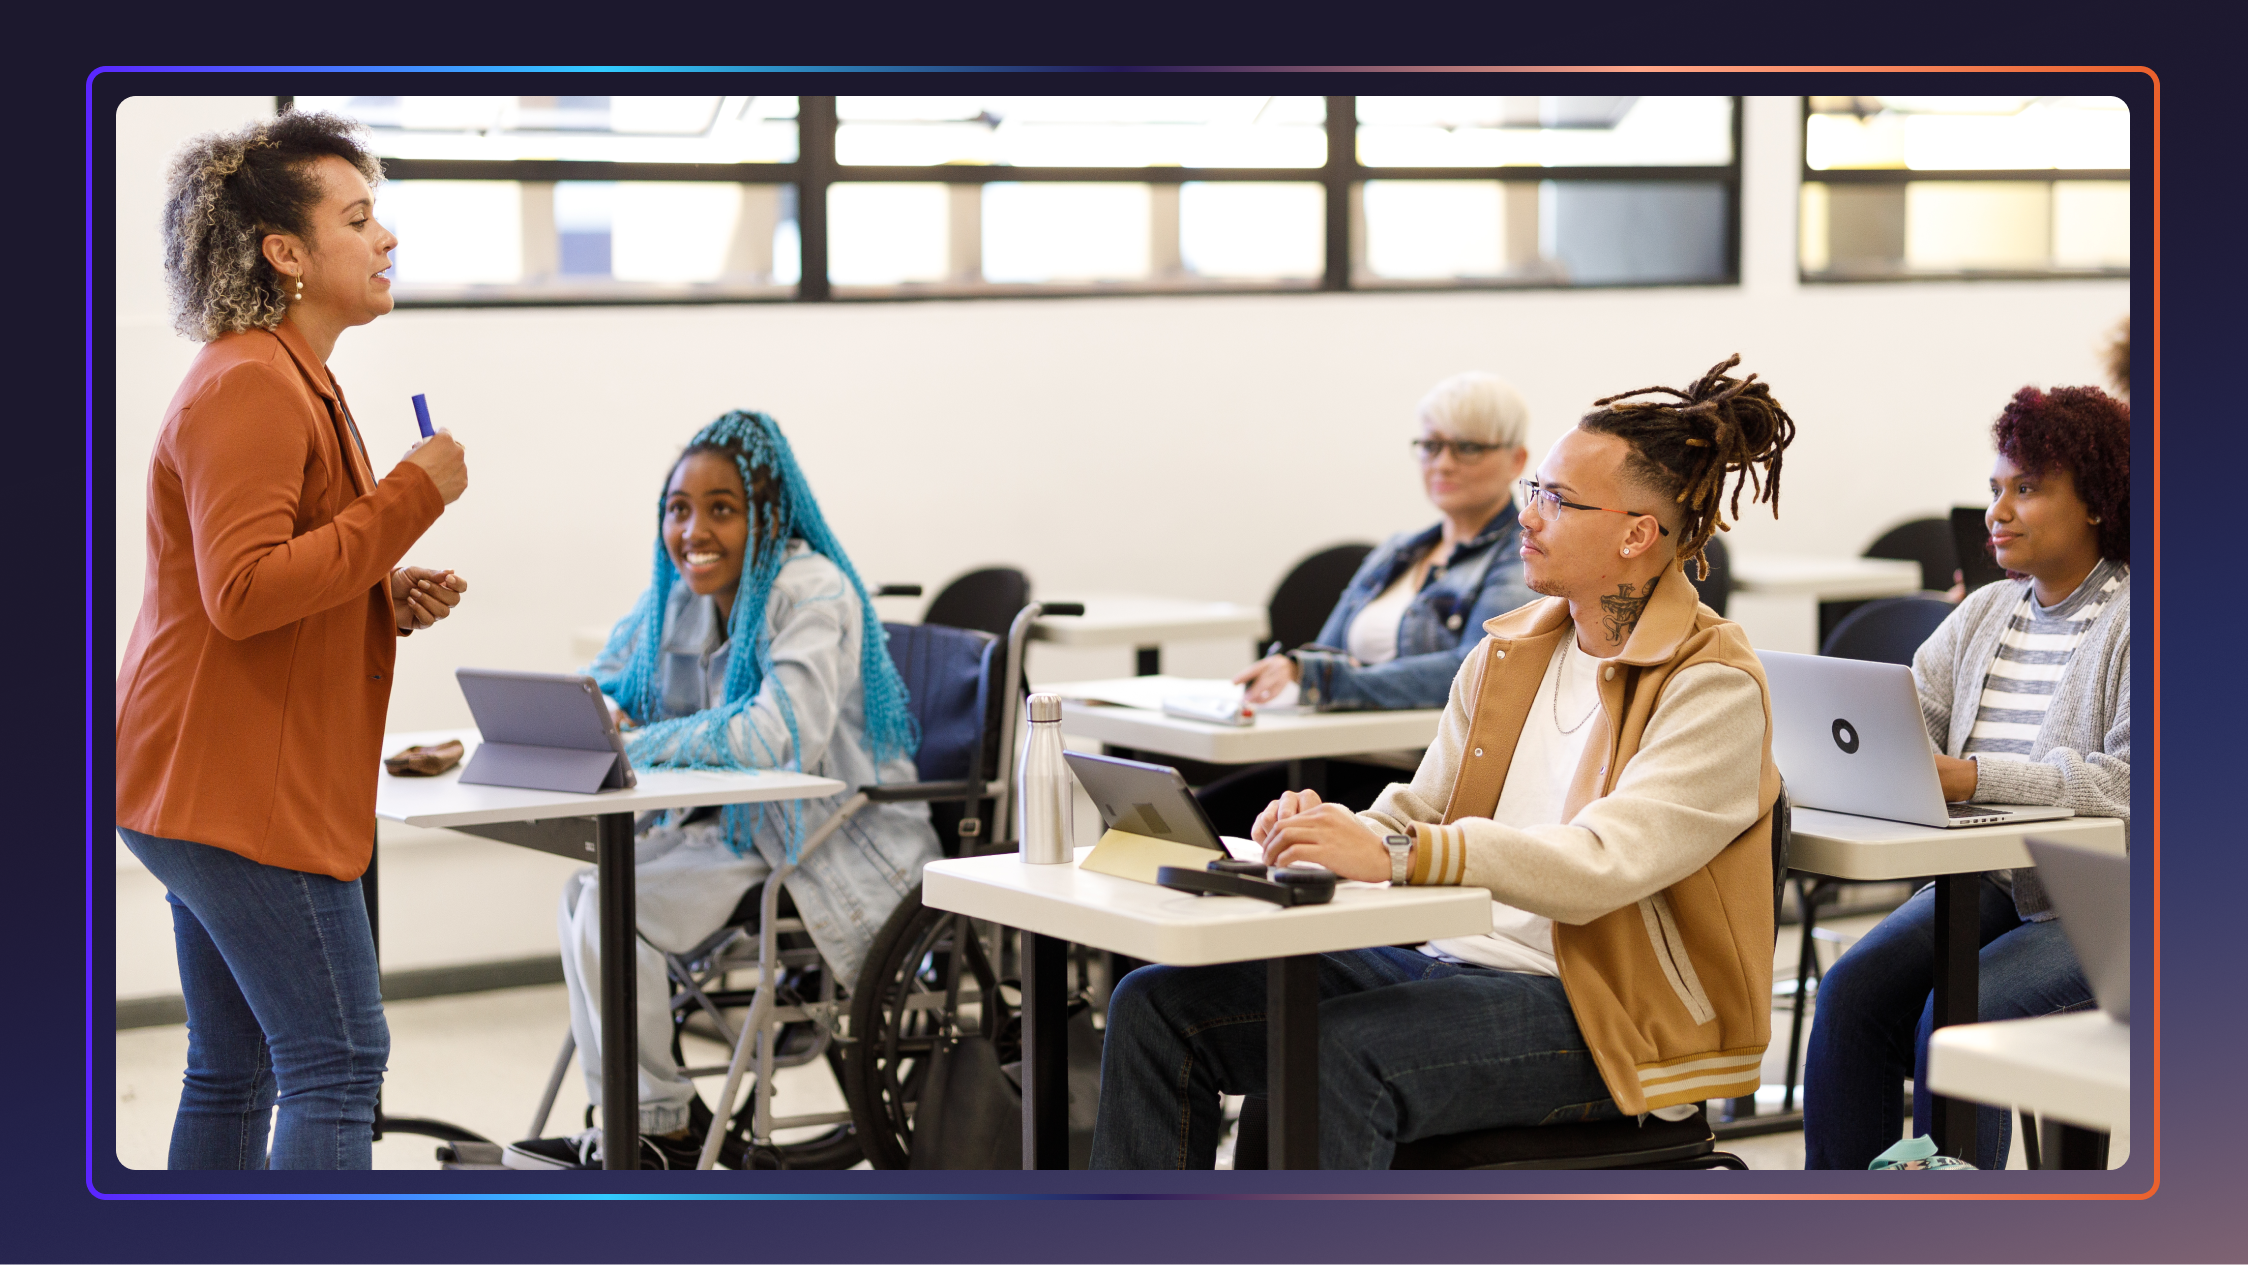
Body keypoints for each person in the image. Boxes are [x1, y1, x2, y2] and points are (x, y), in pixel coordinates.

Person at [1092, 355, 1794, 1169]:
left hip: (1606, 1015)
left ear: (1638, 534)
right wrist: (1330, 828)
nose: (1528, 517)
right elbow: (1423, 807)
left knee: (1330, 1057)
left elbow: (1603, 863)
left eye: (1557, 500)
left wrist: (1397, 854)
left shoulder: (1712, 686)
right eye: (1537, 494)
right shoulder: (1510, 652)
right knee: (1156, 1007)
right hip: (1452, 955)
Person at [115, 110, 471, 1170]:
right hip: (235, 786)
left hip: (205, 777)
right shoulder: (250, 385)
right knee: (338, 1058)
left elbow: (274, 574)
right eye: (357, 219)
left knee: (235, 1069)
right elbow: (243, 590)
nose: (385, 240)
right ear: (286, 252)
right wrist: (412, 497)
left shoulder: (285, 375)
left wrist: (377, 588)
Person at [504, 410, 941, 1171]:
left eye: (722, 509)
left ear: (768, 515)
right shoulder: (681, 590)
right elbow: (610, 681)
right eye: (678, 508)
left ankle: (657, 1125)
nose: (693, 530)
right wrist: (604, 710)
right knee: (584, 892)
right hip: (739, 833)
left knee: (611, 909)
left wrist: (636, 741)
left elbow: (778, 735)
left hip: (829, 841)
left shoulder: (813, 590)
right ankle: (639, 1116)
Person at [1804, 384, 2131, 1171]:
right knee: (1851, 996)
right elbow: (1902, 719)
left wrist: (1974, 774)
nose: (1999, 510)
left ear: (2095, 502)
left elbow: (2125, 784)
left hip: (2112, 904)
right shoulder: (1986, 610)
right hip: (1990, 881)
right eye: (1994, 489)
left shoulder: (2143, 616)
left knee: (1959, 1015)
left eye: (2027, 488)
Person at [1199, 372, 1540, 834]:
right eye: (1431, 445)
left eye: (1467, 447)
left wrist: (1319, 676)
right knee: (1197, 820)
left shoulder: (1520, 556)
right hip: (1336, 758)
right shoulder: (1399, 551)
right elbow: (1326, 651)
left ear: (1515, 459)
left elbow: (1476, 668)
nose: (1442, 463)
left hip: (1419, 783)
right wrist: (1292, 669)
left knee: (1254, 831)